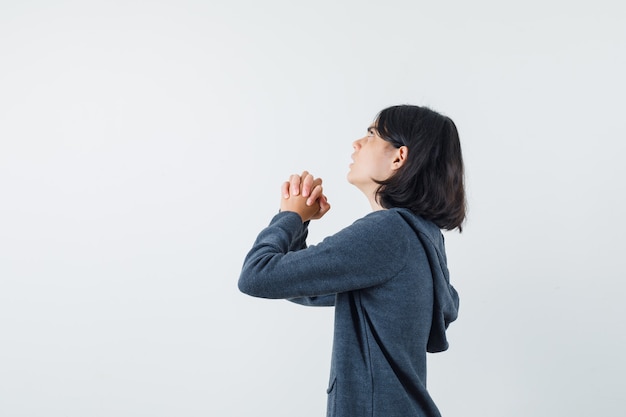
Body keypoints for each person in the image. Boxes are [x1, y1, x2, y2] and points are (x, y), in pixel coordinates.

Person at [238, 104, 466, 417]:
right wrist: (300, 224)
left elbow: (257, 276)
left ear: (399, 157)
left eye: (372, 134)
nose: (356, 143)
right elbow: (308, 288)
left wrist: (290, 215)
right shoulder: (418, 236)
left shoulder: (389, 232)